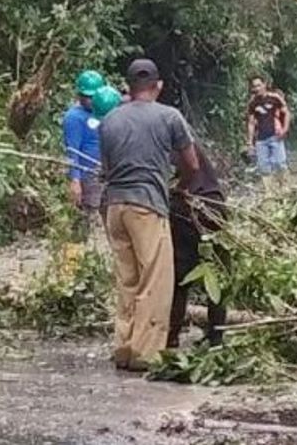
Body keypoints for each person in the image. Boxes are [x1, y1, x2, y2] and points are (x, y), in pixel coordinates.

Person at [99, 58, 198, 371]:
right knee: (155, 280)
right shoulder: (170, 116)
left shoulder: (109, 121)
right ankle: (146, 354)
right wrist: (178, 186)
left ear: (128, 87)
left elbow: (108, 168)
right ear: (158, 86)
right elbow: (192, 164)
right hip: (148, 205)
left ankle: (124, 347)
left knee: (126, 279)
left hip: (115, 207)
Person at [168, 142, 227, 348]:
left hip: (186, 207)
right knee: (217, 274)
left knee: (179, 277)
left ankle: (172, 334)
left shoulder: (164, 142)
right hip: (214, 205)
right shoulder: (186, 140)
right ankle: (216, 335)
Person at [62, 69, 107, 240]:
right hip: (88, 173)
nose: (89, 100)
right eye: (86, 96)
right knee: (87, 215)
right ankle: (78, 248)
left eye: (93, 97)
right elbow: (72, 150)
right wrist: (75, 180)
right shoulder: (74, 117)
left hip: (105, 171)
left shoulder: (104, 111)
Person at [245, 77, 290, 180]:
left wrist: (285, 129)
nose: (257, 88)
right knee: (263, 168)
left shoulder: (274, 98)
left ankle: (285, 187)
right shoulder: (252, 103)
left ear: (264, 85)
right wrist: (250, 142)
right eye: (254, 86)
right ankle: (270, 192)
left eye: (259, 85)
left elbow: (286, 113)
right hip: (260, 139)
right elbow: (251, 123)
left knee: (280, 164)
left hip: (275, 135)